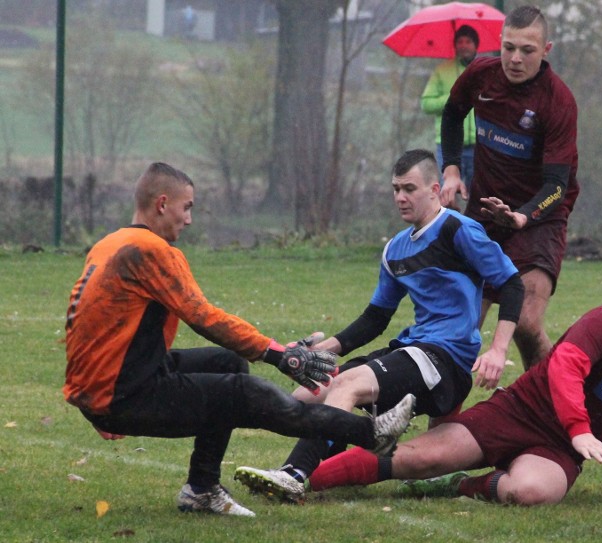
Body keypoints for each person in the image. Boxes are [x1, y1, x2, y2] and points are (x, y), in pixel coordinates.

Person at [62, 162, 416, 517]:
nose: (189, 220)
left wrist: (90, 391)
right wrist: (280, 355)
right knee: (242, 393)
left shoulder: (112, 243)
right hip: (122, 393)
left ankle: (201, 489)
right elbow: (204, 317)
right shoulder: (149, 250)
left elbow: (79, 320)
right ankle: (371, 434)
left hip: (115, 383)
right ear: (162, 204)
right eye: (187, 208)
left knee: (228, 364)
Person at [233, 149, 524, 504]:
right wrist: (318, 353)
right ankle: (335, 458)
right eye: (396, 188)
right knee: (309, 394)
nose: (401, 197)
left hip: (445, 359)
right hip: (411, 349)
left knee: (348, 385)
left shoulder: (457, 229)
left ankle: (293, 473)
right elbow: (375, 319)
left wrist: (497, 349)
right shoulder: (395, 250)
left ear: (435, 189)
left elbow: (511, 283)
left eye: (410, 189)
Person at [294, 257, 602, 505]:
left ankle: (463, 485)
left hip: (560, 449)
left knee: (530, 493)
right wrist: (581, 429)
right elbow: (565, 368)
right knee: (417, 458)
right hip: (518, 412)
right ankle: (302, 479)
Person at [439, 5, 581, 371]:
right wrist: (452, 168)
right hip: (484, 214)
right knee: (460, 327)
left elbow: (556, 186)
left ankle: (553, 411)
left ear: (546, 50)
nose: (515, 59)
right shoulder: (481, 76)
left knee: (527, 323)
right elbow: (453, 112)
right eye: (508, 47)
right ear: (499, 44)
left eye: (527, 50)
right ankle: (440, 422)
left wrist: (522, 216)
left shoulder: (558, 101)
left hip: (540, 218)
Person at [421, 25, 479, 190]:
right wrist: (453, 98)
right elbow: (426, 104)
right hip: (448, 146)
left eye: (468, 41)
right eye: (460, 41)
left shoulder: (483, 71)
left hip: (479, 146)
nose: (463, 45)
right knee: (446, 195)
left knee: (478, 196)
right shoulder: (442, 70)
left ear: (476, 45)